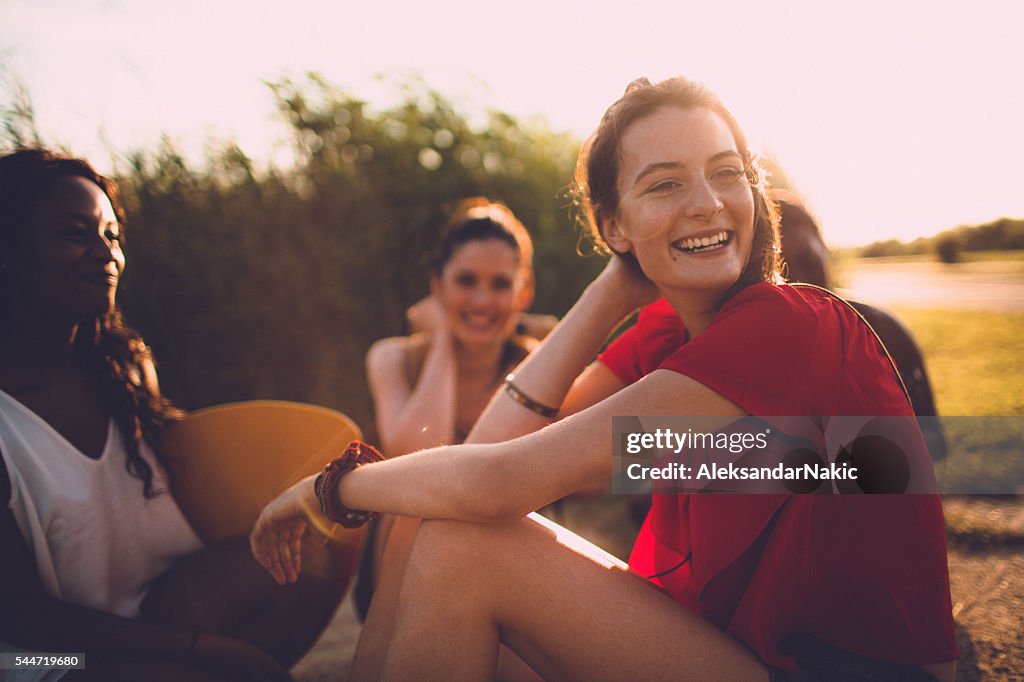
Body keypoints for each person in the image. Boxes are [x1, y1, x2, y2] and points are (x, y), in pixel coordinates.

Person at [252, 77, 960, 681]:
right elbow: (492, 454)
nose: (708, 202)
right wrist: (612, 291)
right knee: (440, 523)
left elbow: (499, 482)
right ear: (613, 226)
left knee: (463, 546)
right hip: (743, 654)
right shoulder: (668, 333)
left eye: (726, 171)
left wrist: (330, 488)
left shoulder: (788, 326)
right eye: (665, 185)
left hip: (845, 670)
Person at [0, 148, 345, 681]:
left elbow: (197, 473)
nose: (105, 253)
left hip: (152, 601)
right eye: (74, 233)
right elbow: (26, 620)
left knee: (316, 548)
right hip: (43, 654)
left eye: (112, 236)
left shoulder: (124, 368)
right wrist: (201, 650)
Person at [356, 198, 540, 619]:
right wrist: (442, 343)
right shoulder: (392, 358)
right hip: (399, 572)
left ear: (523, 292)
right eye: (466, 281)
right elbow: (418, 455)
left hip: (502, 559)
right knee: (424, 500)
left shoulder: (534, 365)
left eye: (499, 284)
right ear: (437, 286)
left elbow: (607, 456)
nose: (482, 300)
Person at [775, 192, 947, 459]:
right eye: (781, 274)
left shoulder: (882, 330)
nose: (801, 286)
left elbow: (933, 443)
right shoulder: (752, 349)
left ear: (825, 251)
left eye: (808, 263)